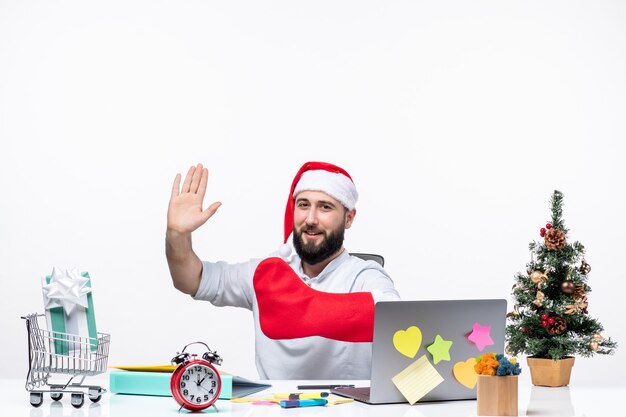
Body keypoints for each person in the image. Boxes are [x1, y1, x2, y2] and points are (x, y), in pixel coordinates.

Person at [166, 161, 400, 379]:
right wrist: (177, 235)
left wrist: (294, 308)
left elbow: (393, 318)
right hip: (273, 408)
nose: (310, 219)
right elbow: (191, 279)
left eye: (325, 207)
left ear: (349, 218)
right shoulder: (266, 272)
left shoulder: (364, 276)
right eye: (303, 205)